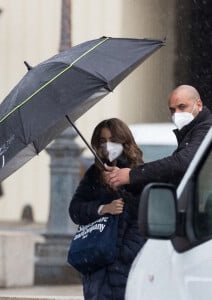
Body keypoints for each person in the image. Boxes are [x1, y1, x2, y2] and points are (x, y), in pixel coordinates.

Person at [69, 118, 145, 300]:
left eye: (113, 140)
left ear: (124, 141)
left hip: (124, 266)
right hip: (95, 263)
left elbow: (143, 218)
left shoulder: (137, 173)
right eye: (102, 141)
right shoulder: (94, 174)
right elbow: (75, 210)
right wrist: (103, 208)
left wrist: (122, 255)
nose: (107, 145)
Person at [104, 84, 212, 190]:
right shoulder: (191, 131)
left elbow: (183, 163)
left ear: (199, 104)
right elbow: (168, 176)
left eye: (182, 107)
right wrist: (124, 177)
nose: (176, 114)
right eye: (172, 110)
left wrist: (132, 175)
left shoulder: (207, 128)